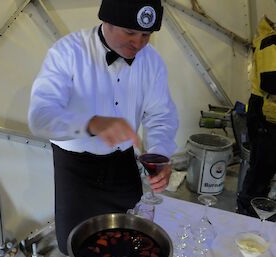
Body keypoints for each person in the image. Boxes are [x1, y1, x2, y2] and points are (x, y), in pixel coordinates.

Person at [28, 0, 178, 255]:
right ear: (106, 20)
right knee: (77, 245)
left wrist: (160, 153)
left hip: (123, 166)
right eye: (130, 32)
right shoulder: (67, 52)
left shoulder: (152, 61)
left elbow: (160, 116)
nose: (139, 43)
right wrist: (92, 123)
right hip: (75, 171)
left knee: (131, 242)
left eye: (146, 35)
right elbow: (40, 118)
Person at [237, 16, 276, 217]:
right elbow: (271, 83)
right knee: (259, 173)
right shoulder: (271, 41)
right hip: (265, 121)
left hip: (269, 118)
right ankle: (247, 216)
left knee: (262, 173)